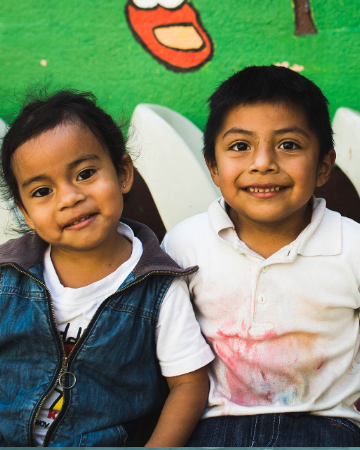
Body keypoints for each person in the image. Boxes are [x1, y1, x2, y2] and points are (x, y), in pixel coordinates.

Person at [0, 90, 214, 447]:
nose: (69, 197)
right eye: (41, 191)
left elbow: (189, 385)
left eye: (85, 173)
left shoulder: (158, 286)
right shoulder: (7, 276)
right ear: (25, 213)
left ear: (124, 173)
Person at [162, 65, 360, 446]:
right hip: (214, 426)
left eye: (289, 145)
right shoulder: (185, 245)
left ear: (323, 166)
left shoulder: (351, 246)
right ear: (214, 168)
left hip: (327, 427)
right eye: (240, 146)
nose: (263, 162)